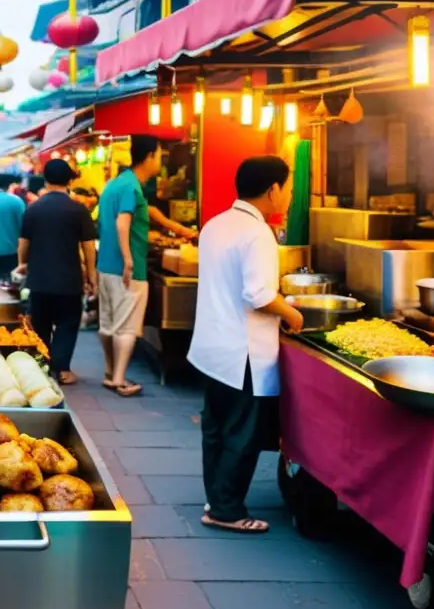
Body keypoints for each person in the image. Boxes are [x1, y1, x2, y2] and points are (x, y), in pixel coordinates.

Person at [188, 156, 303, 535]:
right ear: (273, 190)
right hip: (243, 351)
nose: (288, 196)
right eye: (287, 188)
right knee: (242, 433)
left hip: (212, 346)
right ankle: (226, 510)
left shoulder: (215, 224)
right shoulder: (258, 233)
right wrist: (292, 314)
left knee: (217, 428)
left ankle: (217, 498)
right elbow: (258, 295)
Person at [17, 159, 97, 385]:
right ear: (70, 180)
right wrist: (91, 276)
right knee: (67, 324)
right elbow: (88, 246)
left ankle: (42, 367)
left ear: (45, 179)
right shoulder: (78, 209)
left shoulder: (33, 209)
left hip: (39, 279)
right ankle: (62, 370)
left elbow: (23, 243)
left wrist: (23, 263)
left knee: (41, 323)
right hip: (69, 279)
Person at [96, 135, 163, 397]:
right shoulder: (132, 187)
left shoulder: (114, 184)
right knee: (126, 326)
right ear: (149, 156)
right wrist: (129, 260)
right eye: (159, 155)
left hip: (105, 265)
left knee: (108, 323)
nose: (160, 161)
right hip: (127, 269)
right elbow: (122, 223)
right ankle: (120, 379)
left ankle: (111, 372)